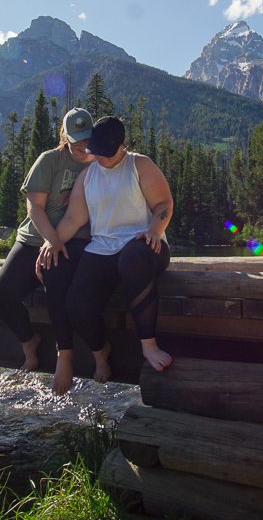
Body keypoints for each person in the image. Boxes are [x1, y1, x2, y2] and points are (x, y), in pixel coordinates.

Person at [39, 115, 174, 381]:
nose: (101, 158)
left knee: (132, 258)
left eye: (107, 154)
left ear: (121, 145)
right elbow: (73, 219)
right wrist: (51, 243)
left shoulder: (139, 165)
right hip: (103, 247)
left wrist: (154, 231)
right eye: (97, 153)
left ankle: (149, 344)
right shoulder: (88, 176)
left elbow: (164, 204)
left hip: (145, 245)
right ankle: (100, 349)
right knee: (76, 304)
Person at [0, 107, 94, 395]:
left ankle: (65, 353)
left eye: (87, 139)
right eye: (77, 140)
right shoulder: (49, 161)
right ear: (64, 136)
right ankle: (29, 341)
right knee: (1, 296)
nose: (83, 146)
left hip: (76, 239)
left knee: (56, 281)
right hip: (35, 238)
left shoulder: (99, 164)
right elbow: (34, 207)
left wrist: (59, 244)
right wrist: (51, 240)